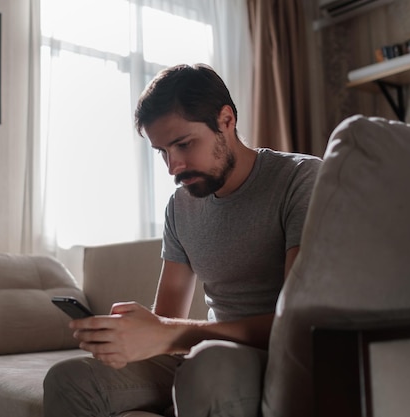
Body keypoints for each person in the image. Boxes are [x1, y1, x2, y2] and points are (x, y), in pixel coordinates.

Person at [44, 64, 321, 417]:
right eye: (162, 151)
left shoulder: (301, 180)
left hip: (275, 357)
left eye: (184, 144)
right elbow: (168, 317)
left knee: (208, 366)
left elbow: (297, 323)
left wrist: (167, 333)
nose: (173, 166)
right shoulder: (181, 205)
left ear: (226, 120)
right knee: (69, 379)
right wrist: (133, 336)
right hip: (207, 352)